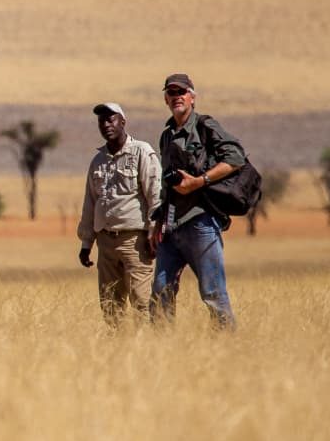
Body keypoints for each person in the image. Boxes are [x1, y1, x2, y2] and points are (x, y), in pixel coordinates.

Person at [149, 74, 247, 329]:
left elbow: (236, 158)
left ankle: (227, 346)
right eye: (171, 93)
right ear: (165, 99)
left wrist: (199, 181)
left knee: (212, 292)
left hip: (200, 222)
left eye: (182, 92)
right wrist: (158, 220)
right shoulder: (167, 135)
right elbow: (166, 185)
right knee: (160, 291)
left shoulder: (205, 126)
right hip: (171, 227)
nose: (176, 96)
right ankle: (160, 352)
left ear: (192, 97)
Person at [77, 102, 162, 327]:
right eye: (101, 121)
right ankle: (117, 350)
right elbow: (90, 204)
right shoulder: (98, 161)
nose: (106, 125)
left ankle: (145, 350)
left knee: (141, 302)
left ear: (123, 122)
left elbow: (155, 196)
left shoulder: (142, 152)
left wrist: (154, 234)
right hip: (105, 242)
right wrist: (87, 243)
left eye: (111, 119)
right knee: (110, 304)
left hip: (136, 241)